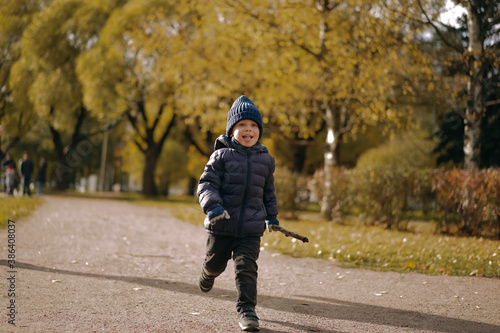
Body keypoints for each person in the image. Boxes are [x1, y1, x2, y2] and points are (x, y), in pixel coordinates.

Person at [197, 95, 279, 332]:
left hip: (251, 229)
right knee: (216, 265)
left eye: (253, 126)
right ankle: (208, 271)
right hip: (222, 224)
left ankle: (247, 310)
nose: (248, 129)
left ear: (259, 131)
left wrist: (271, 217)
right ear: (232, 129)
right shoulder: (220, 156)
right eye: (242, 124)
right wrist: (213, 206)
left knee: (246, 268)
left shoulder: (266, 161)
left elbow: (268, 193)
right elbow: (206, 185)